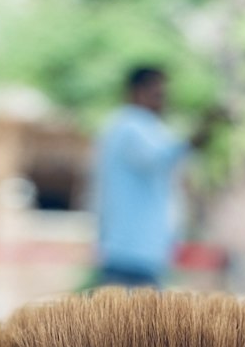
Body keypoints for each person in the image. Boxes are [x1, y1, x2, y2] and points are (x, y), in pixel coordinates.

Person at [93, 66, 221, 289]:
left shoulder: (148, 127)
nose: (164, 101)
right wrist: (205, 128)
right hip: (130, 252)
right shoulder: (129, 125)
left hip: (143, 253)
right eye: (157, 94)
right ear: (136, 91)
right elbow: (163, 157)